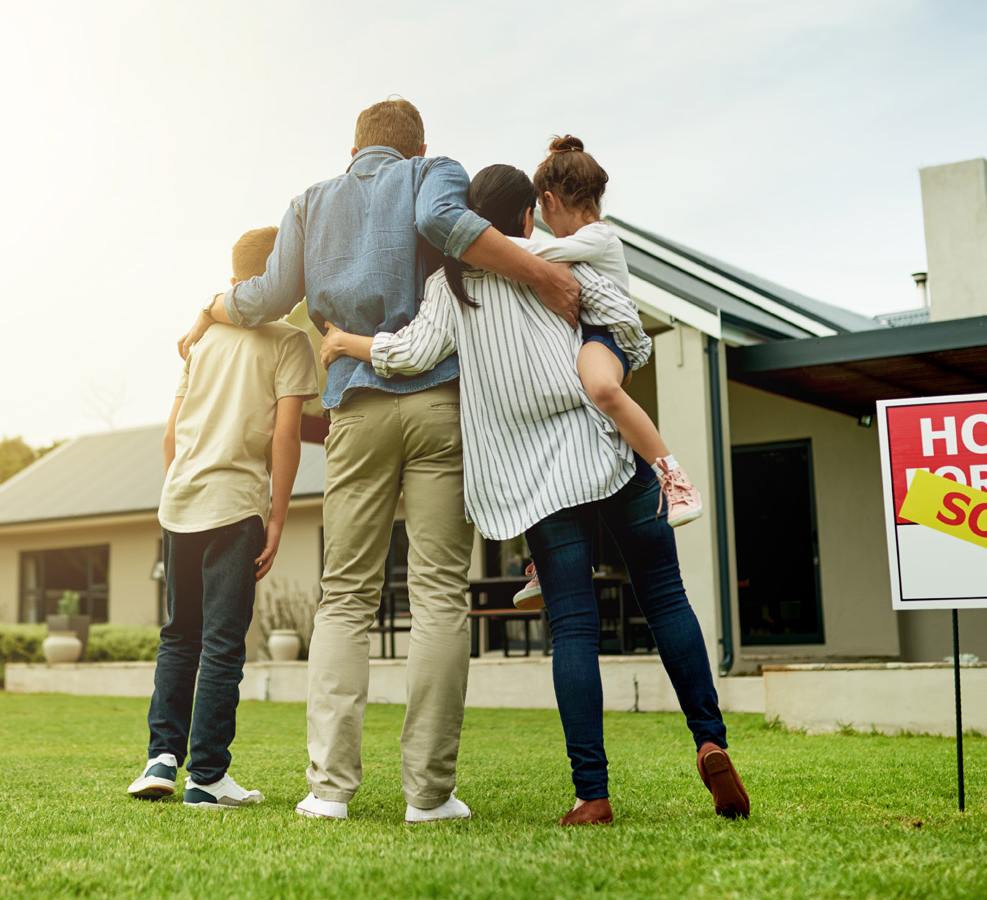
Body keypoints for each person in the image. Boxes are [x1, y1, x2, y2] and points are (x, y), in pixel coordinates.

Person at [175, 99, 582, 823]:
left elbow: (269, 296)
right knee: (437, 597)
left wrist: (214, 304)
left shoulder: (310, 201)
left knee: (346, 598)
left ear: (353, 148)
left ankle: (328, 790)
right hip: (437, 409)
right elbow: (445, 226)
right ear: (418, 146)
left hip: (355, 411)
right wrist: (544, 275)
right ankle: (428, 796)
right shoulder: (434, 172)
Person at [320, 164, 749, 826]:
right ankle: (710, 739)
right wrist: (609, 355)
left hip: (537, 483)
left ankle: (592, 794)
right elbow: (623, 326)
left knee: (574, 627)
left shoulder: (448, 285)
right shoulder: (551, 265)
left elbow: (409, 354)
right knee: (665, 596)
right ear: (526, 217)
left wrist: (344, 342)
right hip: (604, 448)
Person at [127, 225, 320, 807]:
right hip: (234, 506)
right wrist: (278, 517)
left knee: (178, 635)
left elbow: (169, 436)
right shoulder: (289, 341)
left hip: (180, 502)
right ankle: (206, 775)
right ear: (281, 280)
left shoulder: (201, 341)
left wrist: (182, 489)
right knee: (221, 643)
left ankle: (161, 759)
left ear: (235, 280)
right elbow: (287, 434)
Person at [510, 136, 702, 612]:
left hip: (605, 339)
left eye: (542, 209)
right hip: (583, 343)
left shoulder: (598, 237)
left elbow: (536, 259)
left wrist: (478, 243)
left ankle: (673, 476)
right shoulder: (580, 239)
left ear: (550, 202)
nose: (543, 221)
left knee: (599, 388)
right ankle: (543, 559)